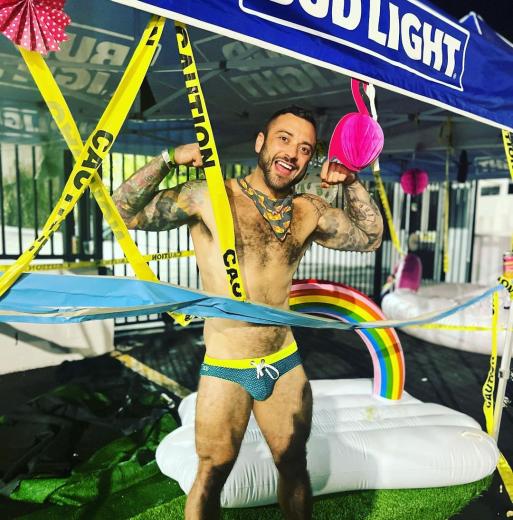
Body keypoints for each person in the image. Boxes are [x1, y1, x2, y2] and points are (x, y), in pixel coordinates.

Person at [113, 106, 383, 520]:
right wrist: (169, 159)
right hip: (226, 365)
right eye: (284, 139)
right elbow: (122, 212)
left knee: (293, 463)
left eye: (305, 148)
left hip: (283, 362)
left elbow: (369, 238)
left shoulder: (307, 210)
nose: (292, 153)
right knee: (212, 472)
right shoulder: (209, 196)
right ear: (261, 142)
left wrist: (351, 182)